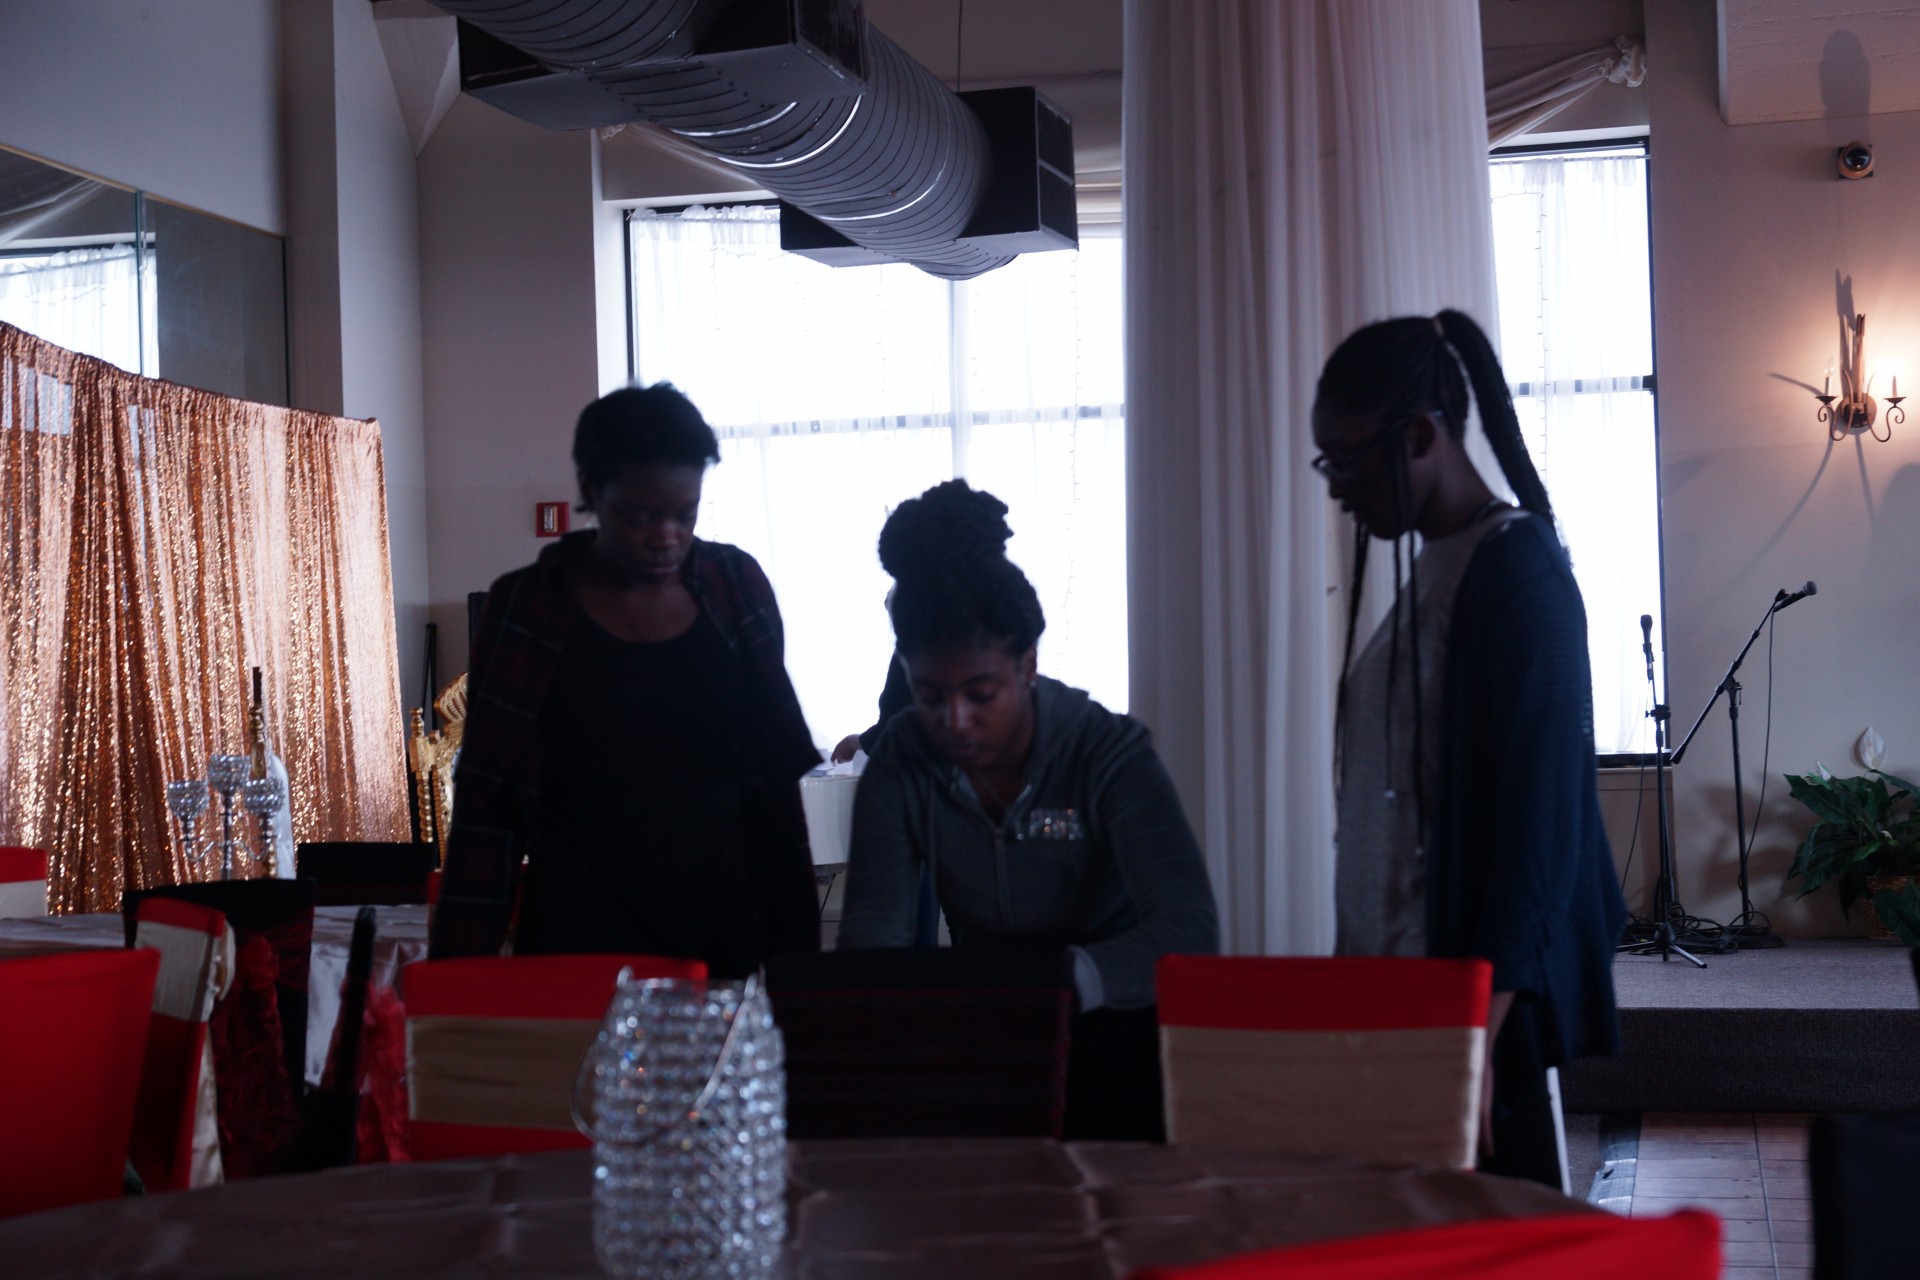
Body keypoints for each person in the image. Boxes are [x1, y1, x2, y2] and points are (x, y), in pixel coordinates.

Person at [1312, 309, 1627, 1189]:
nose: (1335, 488)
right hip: (1404, 997)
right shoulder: (1439, 565)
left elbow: (1539, 836)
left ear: (1420, 435)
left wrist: (1476, 1033)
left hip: (1469, 1015)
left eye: (1344, 459)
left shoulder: (1518, 573)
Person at [838, 480, 1219, 1139]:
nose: (954, 721)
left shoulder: (1108, 752)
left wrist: (1057, 978)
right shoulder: (901, 763)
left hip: (1116, 1030)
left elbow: (1188, 928)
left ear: (1027, 665)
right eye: (929, 696)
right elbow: (875, 940)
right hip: (984, 1034)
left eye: (980, 693)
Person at [430, 384, 821, 975]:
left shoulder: (734, 588)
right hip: (579, 934)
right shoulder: (529, 606)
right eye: (638, 517)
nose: (665, 536)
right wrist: (457, 981)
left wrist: (802, 965)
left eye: (684, 515)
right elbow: (490, 804)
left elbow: (772, 791)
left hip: (723, 932)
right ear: (591, 492)